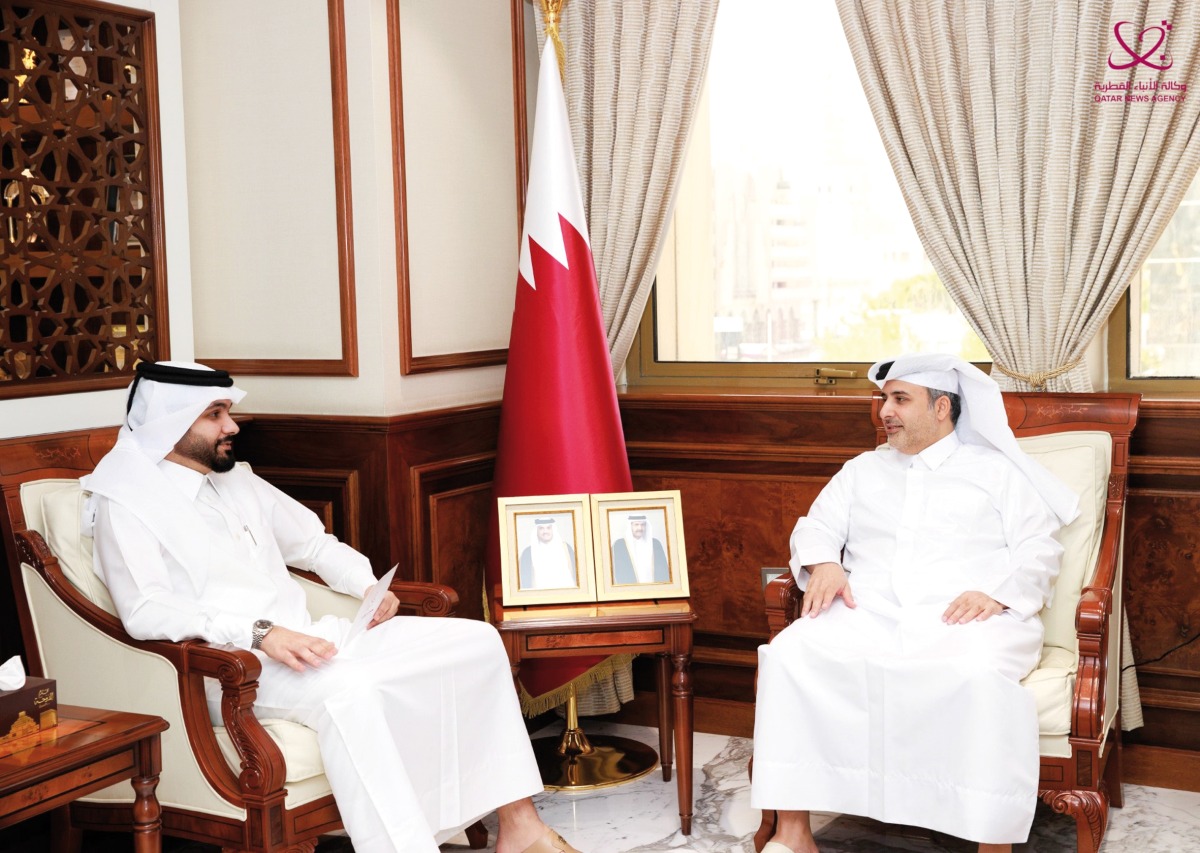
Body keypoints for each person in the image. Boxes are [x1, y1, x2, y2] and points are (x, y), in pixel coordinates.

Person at [82, 361, 583, 853]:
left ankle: (520, 826)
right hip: (232, 669)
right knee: (353, 689)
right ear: (170, 422)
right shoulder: (125, 501)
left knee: (474, 641)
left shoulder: (235, 478)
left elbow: (315, 545)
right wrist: (261, 633)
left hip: (312, 638)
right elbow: (144, 611)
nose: (231, 426)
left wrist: (367, 585)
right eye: (215, 414)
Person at [750, 353, 1080, 853]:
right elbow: (815, 526)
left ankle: (991, 842)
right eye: (884, 399)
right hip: (872, 612)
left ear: (942, 407)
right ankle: (793, 833)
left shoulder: (996, 472)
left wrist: (997, 592)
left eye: (900, 399)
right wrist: (825, 564)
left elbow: (1040, 549)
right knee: (789, 656)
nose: (885, 411)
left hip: (966, 619)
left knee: (975, 678)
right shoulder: (862, 470)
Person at [518, 516, 577, 589]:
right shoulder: (527, 553)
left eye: (548, 528)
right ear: (536, 531)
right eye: (541, 528)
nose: (545, 531)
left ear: (553, 530)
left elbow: (577, 574)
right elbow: (524, 581)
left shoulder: (566, 549)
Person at [611, 513, 669, 584]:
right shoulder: (619, 545)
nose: (640, 528)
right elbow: (617, 572)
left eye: (643, 525)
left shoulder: (655, 543)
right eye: (636, 525)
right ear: (630, 526)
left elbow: (663, 570)